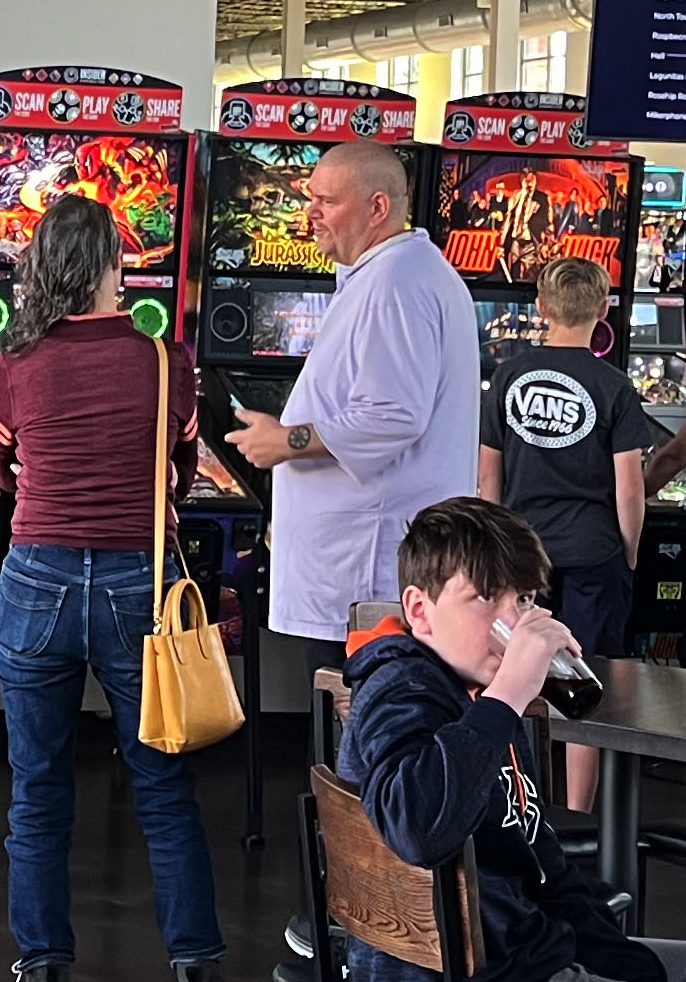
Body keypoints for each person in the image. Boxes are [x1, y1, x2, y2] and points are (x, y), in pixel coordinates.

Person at [227, 141, 477, 968]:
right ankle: (361, 912)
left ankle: (368, 921)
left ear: (378, 206)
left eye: (326, 201)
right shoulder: (392, 277)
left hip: (373, 572)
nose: (310, 216)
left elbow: (388, 416)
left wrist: (281, 442)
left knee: (372, 747)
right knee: (363, 742)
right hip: (371, 567)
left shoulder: (400, 281)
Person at [0, 195, 224, 982]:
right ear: (115, 268)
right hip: (139, 582)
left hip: (36, 581)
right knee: (162, 787)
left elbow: (3, 469)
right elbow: (184, 473)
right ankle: (193, 957)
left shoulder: (14, 365)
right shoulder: (165, 360)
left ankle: (44, 958)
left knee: (38, 790)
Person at [339, 497, 686, 982]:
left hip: (534, 952)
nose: (515, 622)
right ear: (420, 611)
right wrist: (505, 699)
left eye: (523, 599)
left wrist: (634, 967)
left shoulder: (482, 699)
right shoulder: (401, 688)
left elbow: (547, 871)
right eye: (486, 596)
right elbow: (417, 829)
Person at [478, 257, 645, 813]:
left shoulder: (506, 377)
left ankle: (518, 808)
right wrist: (629, 552)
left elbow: (488, 480)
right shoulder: (615, 386)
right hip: (595, 552)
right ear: (602, 311)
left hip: (525, 556)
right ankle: (577, 820)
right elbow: (629, 489)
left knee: (517, 678)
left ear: (541, 308)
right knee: (587, 686)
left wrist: (493, 557)